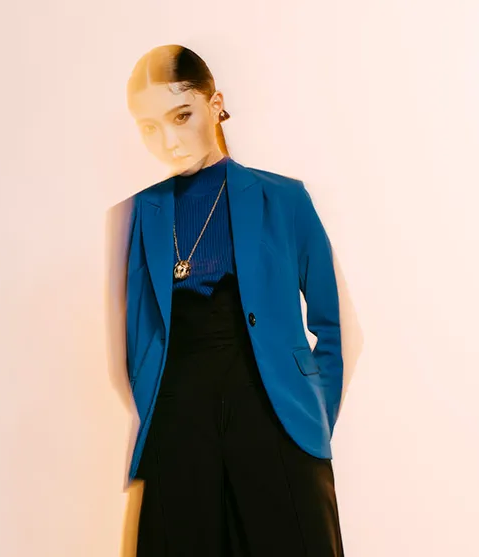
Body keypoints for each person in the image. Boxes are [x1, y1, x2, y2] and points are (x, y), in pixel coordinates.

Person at [124, 44, 345, 556]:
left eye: (182, 115)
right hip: (177, 429)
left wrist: (310, 420)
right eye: (150, 127)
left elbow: (333, 325)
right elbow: (135, 340)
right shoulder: (137, 215)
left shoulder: (284, 198)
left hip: (275, 420)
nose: (169, 141)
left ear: (214, 103)